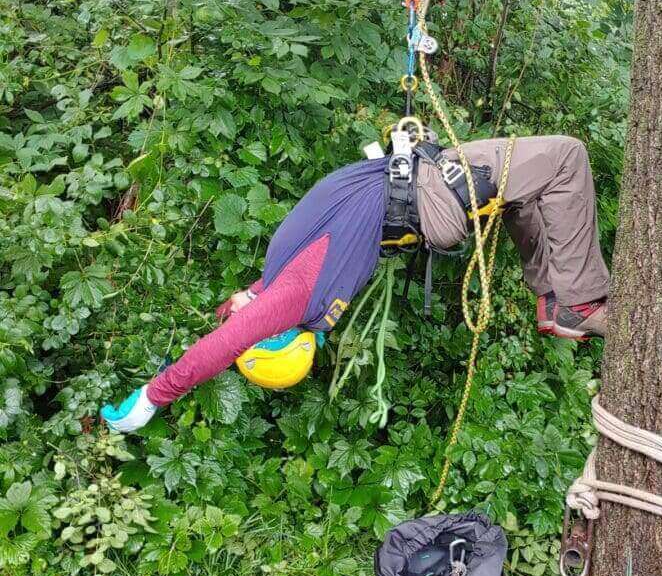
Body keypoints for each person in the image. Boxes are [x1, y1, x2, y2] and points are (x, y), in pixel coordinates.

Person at [101, 135, 610, 433]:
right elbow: (221, 345)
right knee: (566, 157)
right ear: (269, 335)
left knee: (525, 191)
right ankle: (577, 302)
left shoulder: (280, 278)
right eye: (245, 320)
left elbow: (241, 312)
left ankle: (552, 296)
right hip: (430, 192)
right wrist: (152, 396)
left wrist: (250, 294)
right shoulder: (295, 299)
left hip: (419, 178)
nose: (232, 310)